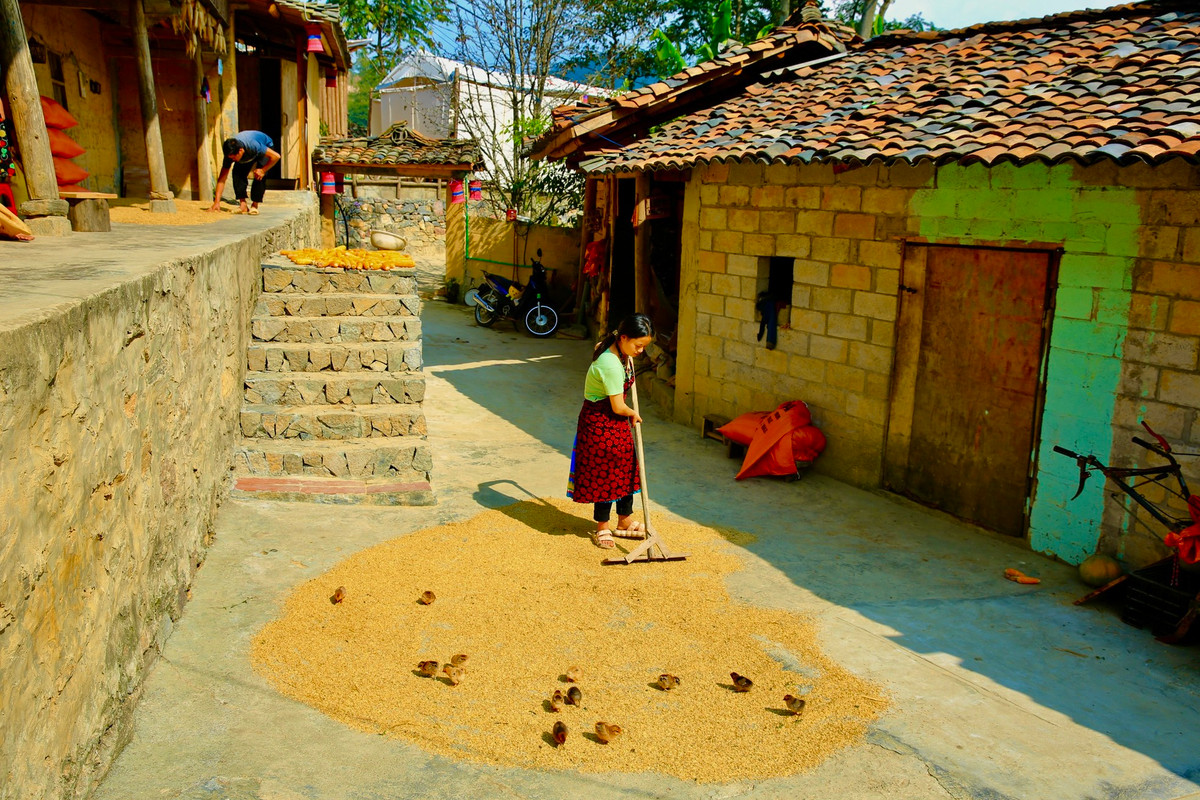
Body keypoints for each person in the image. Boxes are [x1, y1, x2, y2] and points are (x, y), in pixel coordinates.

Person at [567, 314, 654, 549]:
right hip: (599, 421)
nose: (640, 351)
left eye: (643, 347)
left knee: (626, 467)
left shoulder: (619, 351)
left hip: (615, 422)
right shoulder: (611, 364)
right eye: (638, 345)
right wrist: (633, 413)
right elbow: (617, 406)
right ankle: (602, 526)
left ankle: (624, 519)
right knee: (604, 473)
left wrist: (629, 354)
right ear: (624, 338)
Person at [206, 131, 281, 215]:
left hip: (265, 145)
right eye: (231, 158)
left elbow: (276, 156)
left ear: (241, 151)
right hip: (248, 152)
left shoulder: (254, 145)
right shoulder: (230, 156)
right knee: (237, 173)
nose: (232, 160)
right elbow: (222, 179)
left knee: (259, 175)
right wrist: (216, 202)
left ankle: (254, 205)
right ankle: (243, 205)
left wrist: (263, 170)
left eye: (234, 158)